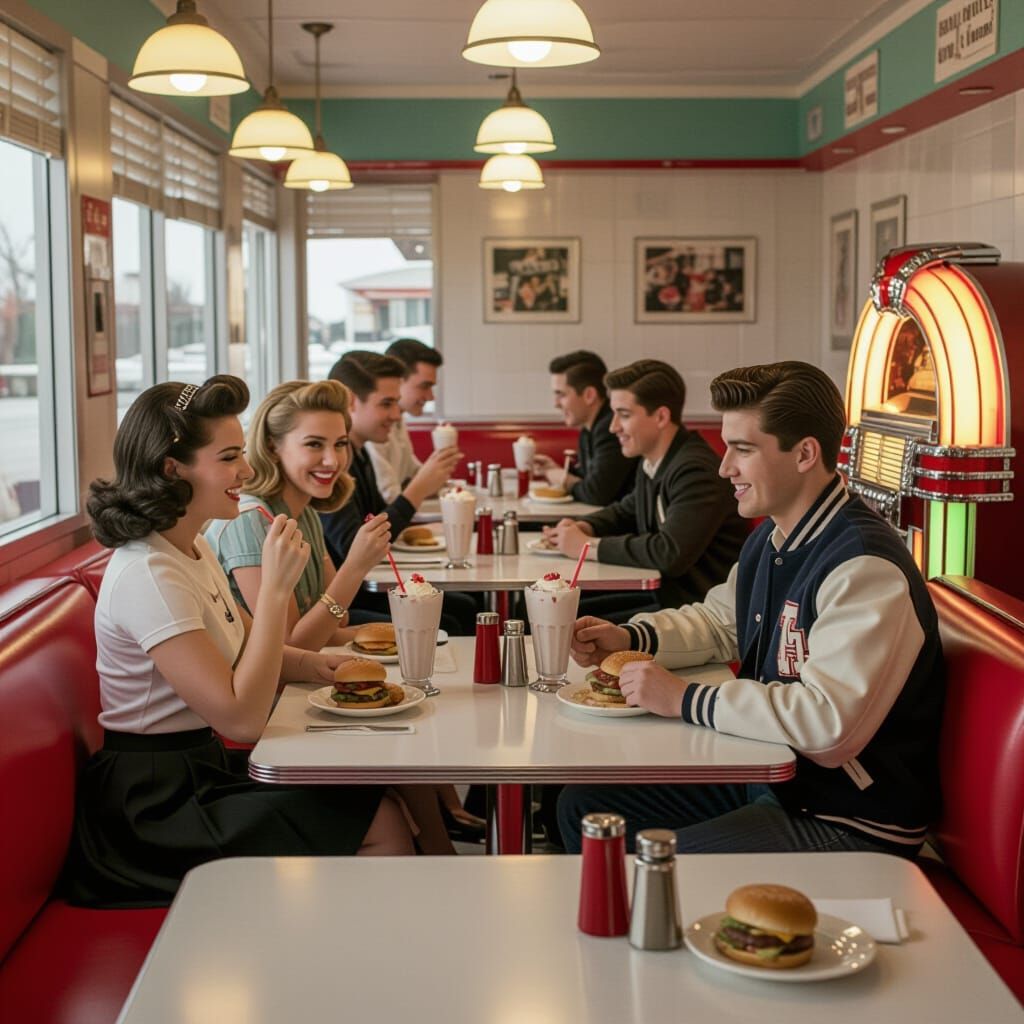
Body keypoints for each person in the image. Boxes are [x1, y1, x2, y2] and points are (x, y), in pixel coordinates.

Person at [557, 361, 945, 858]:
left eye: (743, 449)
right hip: (777, 778)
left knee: (656, 870)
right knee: (584, 808)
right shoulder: (772, 535)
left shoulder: (863, 566)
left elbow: (829, 725)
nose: (725, 468)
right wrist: (630, 638)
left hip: (850, 816)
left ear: (805, 453)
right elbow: (720, 623)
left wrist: (684, 698)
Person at [63, 376, 414, 909]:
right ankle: (365, 965)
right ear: (171, 469)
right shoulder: (150, 573)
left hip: (199, 771)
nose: (248, 471)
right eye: (229, 457)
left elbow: (262, 652)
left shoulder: (191, 548)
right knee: (378, 816)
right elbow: (241, 720)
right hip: (154, 807)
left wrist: (332, 668)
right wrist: (274, 591)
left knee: (375, 790)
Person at [205, 378, 476, 852]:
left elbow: (334, 615)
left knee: (415, 695)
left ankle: (442, 845)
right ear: (271, 447)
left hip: (299, 683)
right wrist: (355, 567)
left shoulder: (302, 510)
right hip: (264, 708)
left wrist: (391, 630)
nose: (332, 460)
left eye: (340, 444)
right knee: (403, 717)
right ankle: (439, 853)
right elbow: (291, 645)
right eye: (314, 445)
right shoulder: (253, 523)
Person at [543, 359, 746, 622]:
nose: (613, 426)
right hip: (665, 596)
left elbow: (668, 552)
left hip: (699, 612)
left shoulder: (695, 469)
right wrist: (583, 526)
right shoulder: (653, 459)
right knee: (549, 606)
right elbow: (626, 510)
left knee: (555, 611)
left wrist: (587, 546)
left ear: (661, 416)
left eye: (624, 415)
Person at [320, 351, 476, 634]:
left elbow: (378, 522)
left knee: (465, 606)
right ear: (351, 402)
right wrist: (417, 490)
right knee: (452, 619)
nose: (396, 413)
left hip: (364, 586)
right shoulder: (333, 466)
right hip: (348, 598)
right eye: (387, 404)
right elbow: (355, 544)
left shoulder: (360, 453)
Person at [532, 350, 637, 505]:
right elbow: (587, 478)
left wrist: (561, 478)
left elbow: (597, 493)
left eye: (561, 394)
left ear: (589, 395)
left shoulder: (610, 429)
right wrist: (556, 469)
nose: (556, 403)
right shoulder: (589, 429)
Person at [366, 338, 442, 503]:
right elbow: (389, 495)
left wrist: (439, 470)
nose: (431, 396)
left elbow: (413, 471)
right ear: (398, 381)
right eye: (424, 386)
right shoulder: (374, 430)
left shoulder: (399, 422)